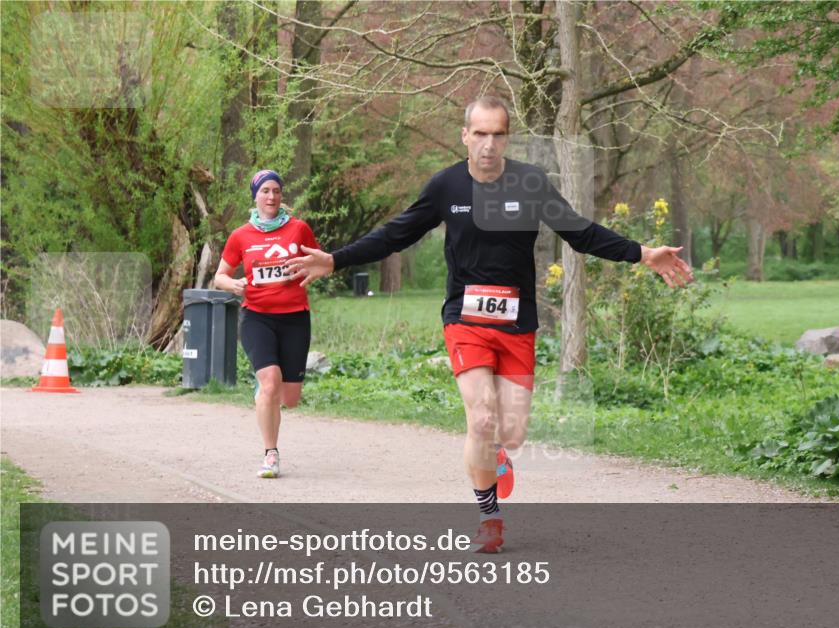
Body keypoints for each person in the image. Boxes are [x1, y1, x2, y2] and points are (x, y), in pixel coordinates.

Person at [286, 97, 693, 551]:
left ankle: (498, 455)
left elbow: (580, 233)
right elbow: (395, 233)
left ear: (507, 138)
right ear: (465, 136)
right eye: (479, 133)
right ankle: (490, 518)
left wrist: (643, 253)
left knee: (511, 434)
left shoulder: (530, 183)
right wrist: (336, 259)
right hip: (465, 319)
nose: (488, 144)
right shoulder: (446, 187)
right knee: (481, 419)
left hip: (518, 324)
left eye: (498, 134)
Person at [214, 169, 320, 479]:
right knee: (271, 383)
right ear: (255, 196)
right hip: (256, 316)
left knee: (290, 398)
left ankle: (267, 392)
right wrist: (235, 285)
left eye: (276, 191)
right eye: (265, 191)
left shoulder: (299, 229)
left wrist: (309, 272)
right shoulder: (241, 235)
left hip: (295, 317)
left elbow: (319, 262)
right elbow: (220, 276)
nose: (271, 196)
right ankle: (270, 454)